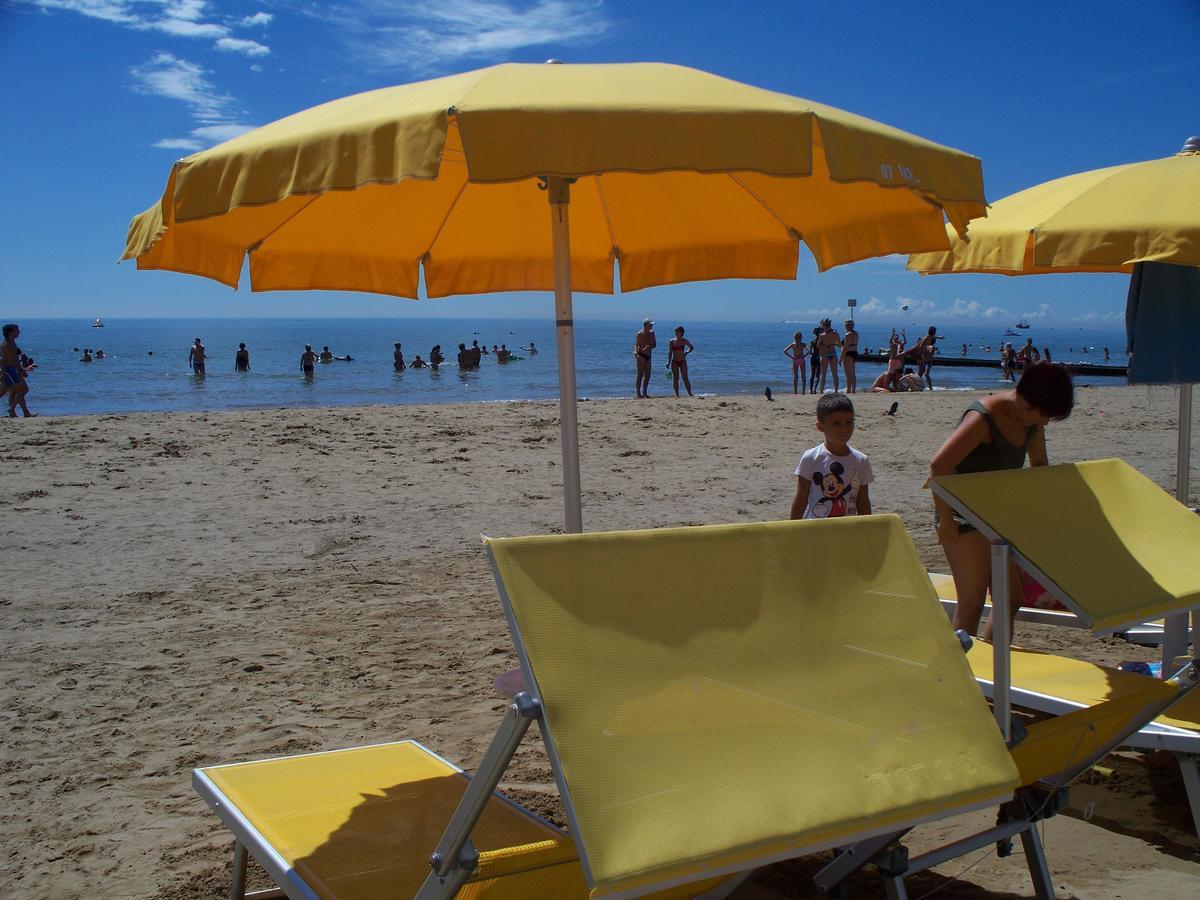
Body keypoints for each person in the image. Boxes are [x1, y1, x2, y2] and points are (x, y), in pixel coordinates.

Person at [930, 362, 1074, 639]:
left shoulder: (1031, 421)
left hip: (998, 515)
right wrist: (945, 520)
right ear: (1026, 399)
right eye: (1043, 415)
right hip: (961, 516)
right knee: (971, 604)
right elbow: (939, 465)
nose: (1044, 422)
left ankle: (996, 668)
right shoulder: (984, 418)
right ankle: (960, 675)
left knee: (1009, 598)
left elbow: (1039, 464)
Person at [788, 393, 873, 520]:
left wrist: (867, 529)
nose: (844, 429)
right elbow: (801, 498)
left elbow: (863, 501)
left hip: (846, 530)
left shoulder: (861, 461)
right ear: (820, 427)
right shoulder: (811, 458)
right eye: (836, 424)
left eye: (849, 422)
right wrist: (792, 530)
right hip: (815, 529)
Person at [1, 323, 34, 418]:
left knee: (15, 391)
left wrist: (21, 369)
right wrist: (3, 375)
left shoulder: (12, 342)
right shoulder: (6, 344)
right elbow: (3, 361)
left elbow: (15, 358)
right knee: (22, 390)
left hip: (14, 370)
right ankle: (12, 409)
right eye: (17, 330)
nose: (19, 332)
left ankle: (20, 412)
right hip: (8, 371)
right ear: (10, 332)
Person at [666, 326, 695, 397]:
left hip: (682, 361)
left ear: (681, 333)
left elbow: (691, 347)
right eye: (675, 331)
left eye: (677, 332)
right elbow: (670, 352)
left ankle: (690, 393)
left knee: (685, 378)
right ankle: (677, 394)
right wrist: (668, 362)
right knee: (676, 378)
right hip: (674, 361)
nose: (676, 333)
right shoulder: (672, 341)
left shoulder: (684, 341)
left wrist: (686, 353)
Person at [816, 319, 841, 393]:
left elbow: (818, 345)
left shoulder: (821, 335)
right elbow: (839, 345)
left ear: (823, 325)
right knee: (835, 374)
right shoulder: (835, 334)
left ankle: (821, 391)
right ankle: (836, 391)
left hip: (824, 355)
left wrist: (825, 344)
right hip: (833, 354)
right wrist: (833, 344)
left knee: (823, 375)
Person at [633, 319, 656, 398]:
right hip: (641, 355)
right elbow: (636, 345)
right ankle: (638, 394)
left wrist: (649, 346)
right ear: (646, 325)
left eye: (652, 324)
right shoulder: (640, 334)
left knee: (648, 375)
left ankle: (644, 393)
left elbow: (654, 344)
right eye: (650, 324)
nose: (652, 326)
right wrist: (635, 353)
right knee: (640, 375)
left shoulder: (652, 333)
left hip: (648, 356)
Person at [784, 330, 807, 395]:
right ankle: (803, 391)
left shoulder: (793, 344)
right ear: (801, 337)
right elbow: (809, 351)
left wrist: (792, 357)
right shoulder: (803, 344)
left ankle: (795, 391)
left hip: (795, 360)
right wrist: (804, 356)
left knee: (795, 377)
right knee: (803, 376)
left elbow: (785, 351)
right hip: (801, 359)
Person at [841, 319, 859, 393]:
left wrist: (841, 358)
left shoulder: (848, 334)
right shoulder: (855, 333)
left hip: (848, 354)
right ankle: (853, 389)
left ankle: (848, 390)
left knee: (848, 374)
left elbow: (845, 347)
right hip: (854, 353)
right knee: (852, 373)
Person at [808, 327, 821, 394]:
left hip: (813, 358)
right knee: (817, 375)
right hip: (819, 358)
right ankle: (815, 389)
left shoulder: (812, 342)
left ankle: (810, 389)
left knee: (812, 374)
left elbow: (809, 351)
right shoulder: (821, 342)